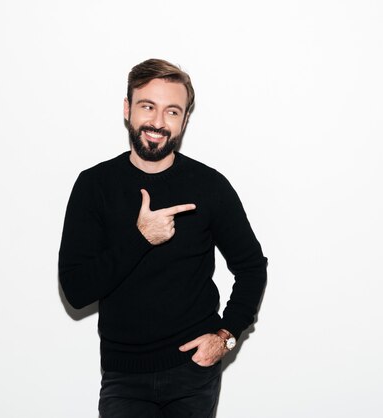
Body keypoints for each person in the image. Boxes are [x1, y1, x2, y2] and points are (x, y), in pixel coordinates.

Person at [58, 58, 267, 417]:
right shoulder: (95, 186)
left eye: (172, 111)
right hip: (123, 376)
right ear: (127, 109)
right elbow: (76, 290)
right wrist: (141, 237)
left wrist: (226, 336)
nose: (157, 122)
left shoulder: (209, 186)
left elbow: (251, 267)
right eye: (147, 107)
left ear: (185, 120)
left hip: (192, 372)